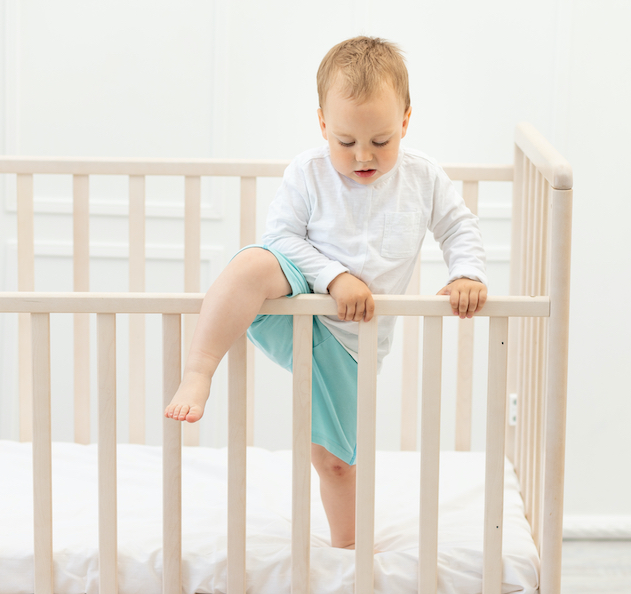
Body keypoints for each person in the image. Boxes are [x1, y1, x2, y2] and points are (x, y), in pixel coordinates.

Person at [164, 36, 487, 549]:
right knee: (251, 262)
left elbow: (458, 227)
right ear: (322, 125)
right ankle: (199, 370)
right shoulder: (309, 172)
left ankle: (346, 550)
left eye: (381, 141)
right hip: (297, 294)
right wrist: (334, 276)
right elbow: (282, 237)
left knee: (334, 460)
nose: (363, 156)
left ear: (405, 121)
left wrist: (467, 273)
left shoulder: (423, 178)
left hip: (349, 343)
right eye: (345, 141)